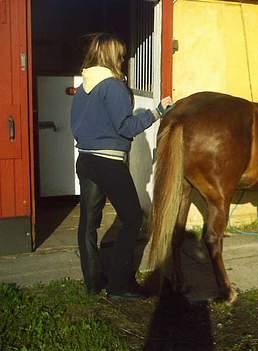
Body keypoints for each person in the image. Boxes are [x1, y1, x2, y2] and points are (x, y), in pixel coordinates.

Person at [70, 33, 173, 300]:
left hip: (86, 160)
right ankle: (119, 285)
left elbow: (78, 126)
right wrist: (157, 112)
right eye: (121, 53)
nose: (124, 58)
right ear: (111, 56)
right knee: (133, 219)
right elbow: (125, 128)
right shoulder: (113, 87)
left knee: (88, 224)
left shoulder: (84, 88)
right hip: (109, 162)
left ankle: (93, 282)